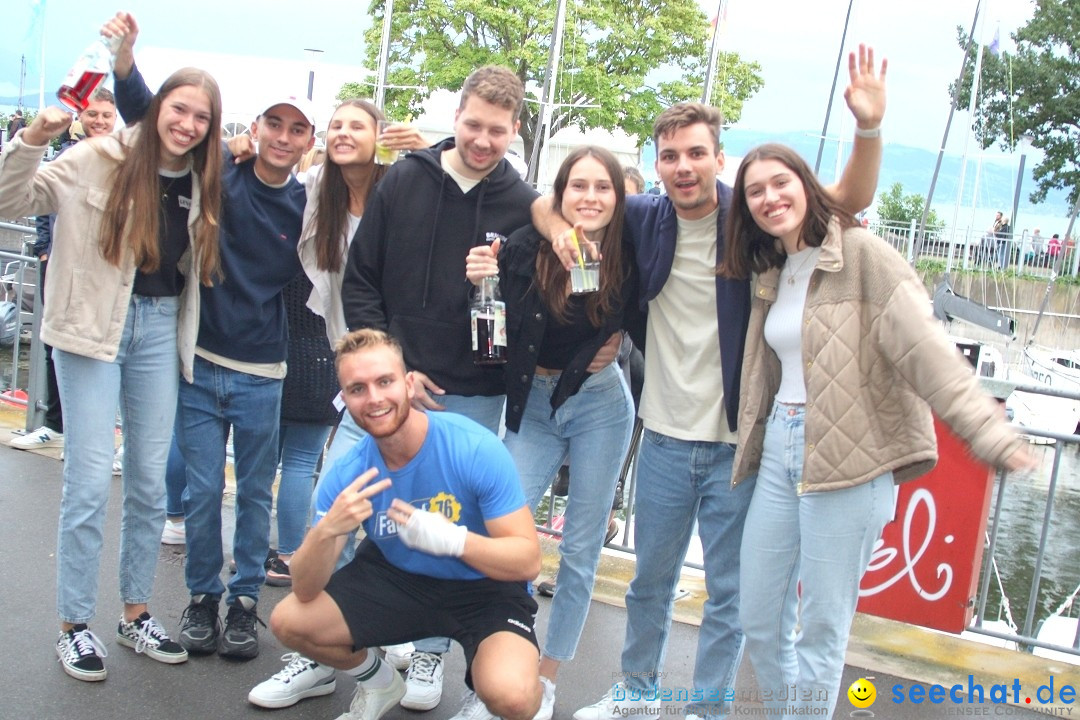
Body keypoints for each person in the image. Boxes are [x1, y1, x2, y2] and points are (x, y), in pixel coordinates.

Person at [533, 45, 886, 720]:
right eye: (669, 156)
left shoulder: (752, 219)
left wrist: (867, 129)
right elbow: (546, 205)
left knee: (728, 593)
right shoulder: (643, 217)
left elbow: (846, 201)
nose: (683, 167)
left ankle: (706, 707)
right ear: (657, 163)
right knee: (649, 583)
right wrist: (557, 232)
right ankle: (637, 692)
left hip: (738, 447)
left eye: (696, 153)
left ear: (719, 158)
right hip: (664, 439)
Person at [722, 143, 1035, 720]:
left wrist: (990, 436)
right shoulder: (771, 271)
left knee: (821, 628)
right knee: (760, 616)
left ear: (807, 186)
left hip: (852, 458)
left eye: (780, 182)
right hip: (780, 453)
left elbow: (928, 352)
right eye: (755, 191)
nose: (770, 198)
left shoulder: (864, 256)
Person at [328, 65, 572, 714]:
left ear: (515, 129)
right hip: (387, 390)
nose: (482, 140)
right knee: (338, 511)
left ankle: (431, 651)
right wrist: (393, 371)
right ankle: (329, 652)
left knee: (445, 528)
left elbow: (531, 320)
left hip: (471, 399)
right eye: (472, 125)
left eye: (497, 130)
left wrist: (496, 286)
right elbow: (361, 285)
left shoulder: (524, 207)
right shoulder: (404, 180)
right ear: (454, 117)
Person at [0, 66, 224, 681]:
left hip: (159, 327)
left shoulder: (203, 178)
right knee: (91, 479)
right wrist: (30, 141)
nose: (187, 125)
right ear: (155, 109)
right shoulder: (96, 155)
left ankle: (135, 613)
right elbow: (11, 201)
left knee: (150, 482)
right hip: (90, 328)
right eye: (178, 110)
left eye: (201, 117)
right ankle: (74, 625)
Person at [106, 11, 315, 660]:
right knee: (200, 493)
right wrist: (123, 62)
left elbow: (373, 198)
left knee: (253, 493)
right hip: (198, 362)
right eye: (272, 123)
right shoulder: (215, 176)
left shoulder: (310, 204)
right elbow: (153, 119)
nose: (282, 136)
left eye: (296, 128)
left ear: (310, 140)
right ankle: (202, 596)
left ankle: (245, 601)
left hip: (262, 373)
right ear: (254, 129)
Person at [259, 328, 543, 720]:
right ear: (344, 398)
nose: (374, 399)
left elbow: (528, 560)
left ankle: (497, 684)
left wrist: (453, 539)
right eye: (357, 389)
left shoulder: (473, 447)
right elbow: (305, 590)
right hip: (399, 578)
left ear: (409, 384)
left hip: (485, 586)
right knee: (289, 621)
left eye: (385, 381)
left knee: (513, 697)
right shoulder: (348, 473)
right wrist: (327, 531)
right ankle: (379, 683)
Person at [465, 147, 641, 720]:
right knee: (503, 542)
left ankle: (546, 681)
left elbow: (596, 308)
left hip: (599, 407)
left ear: (620, 198)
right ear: (560, 193)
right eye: (577, 186)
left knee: (581, 551)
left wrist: (580, 250)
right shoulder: (521, 248)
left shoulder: (628, 254)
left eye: (603, 188)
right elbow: (489, 343)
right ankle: (490, 678)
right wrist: (481, 286)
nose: (589, 197)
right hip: (535, 409)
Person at [12, 88, 117, 453]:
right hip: (60, 263)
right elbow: (42, 204)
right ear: (80, 117)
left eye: (106, 114)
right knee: (52, 345)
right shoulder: (68, 155)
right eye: (92, 114)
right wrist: (43, 250)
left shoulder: (124, 161)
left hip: (104, 273)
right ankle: (55, 424)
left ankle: (105, 436)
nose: (99, 121)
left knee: (109, 353)